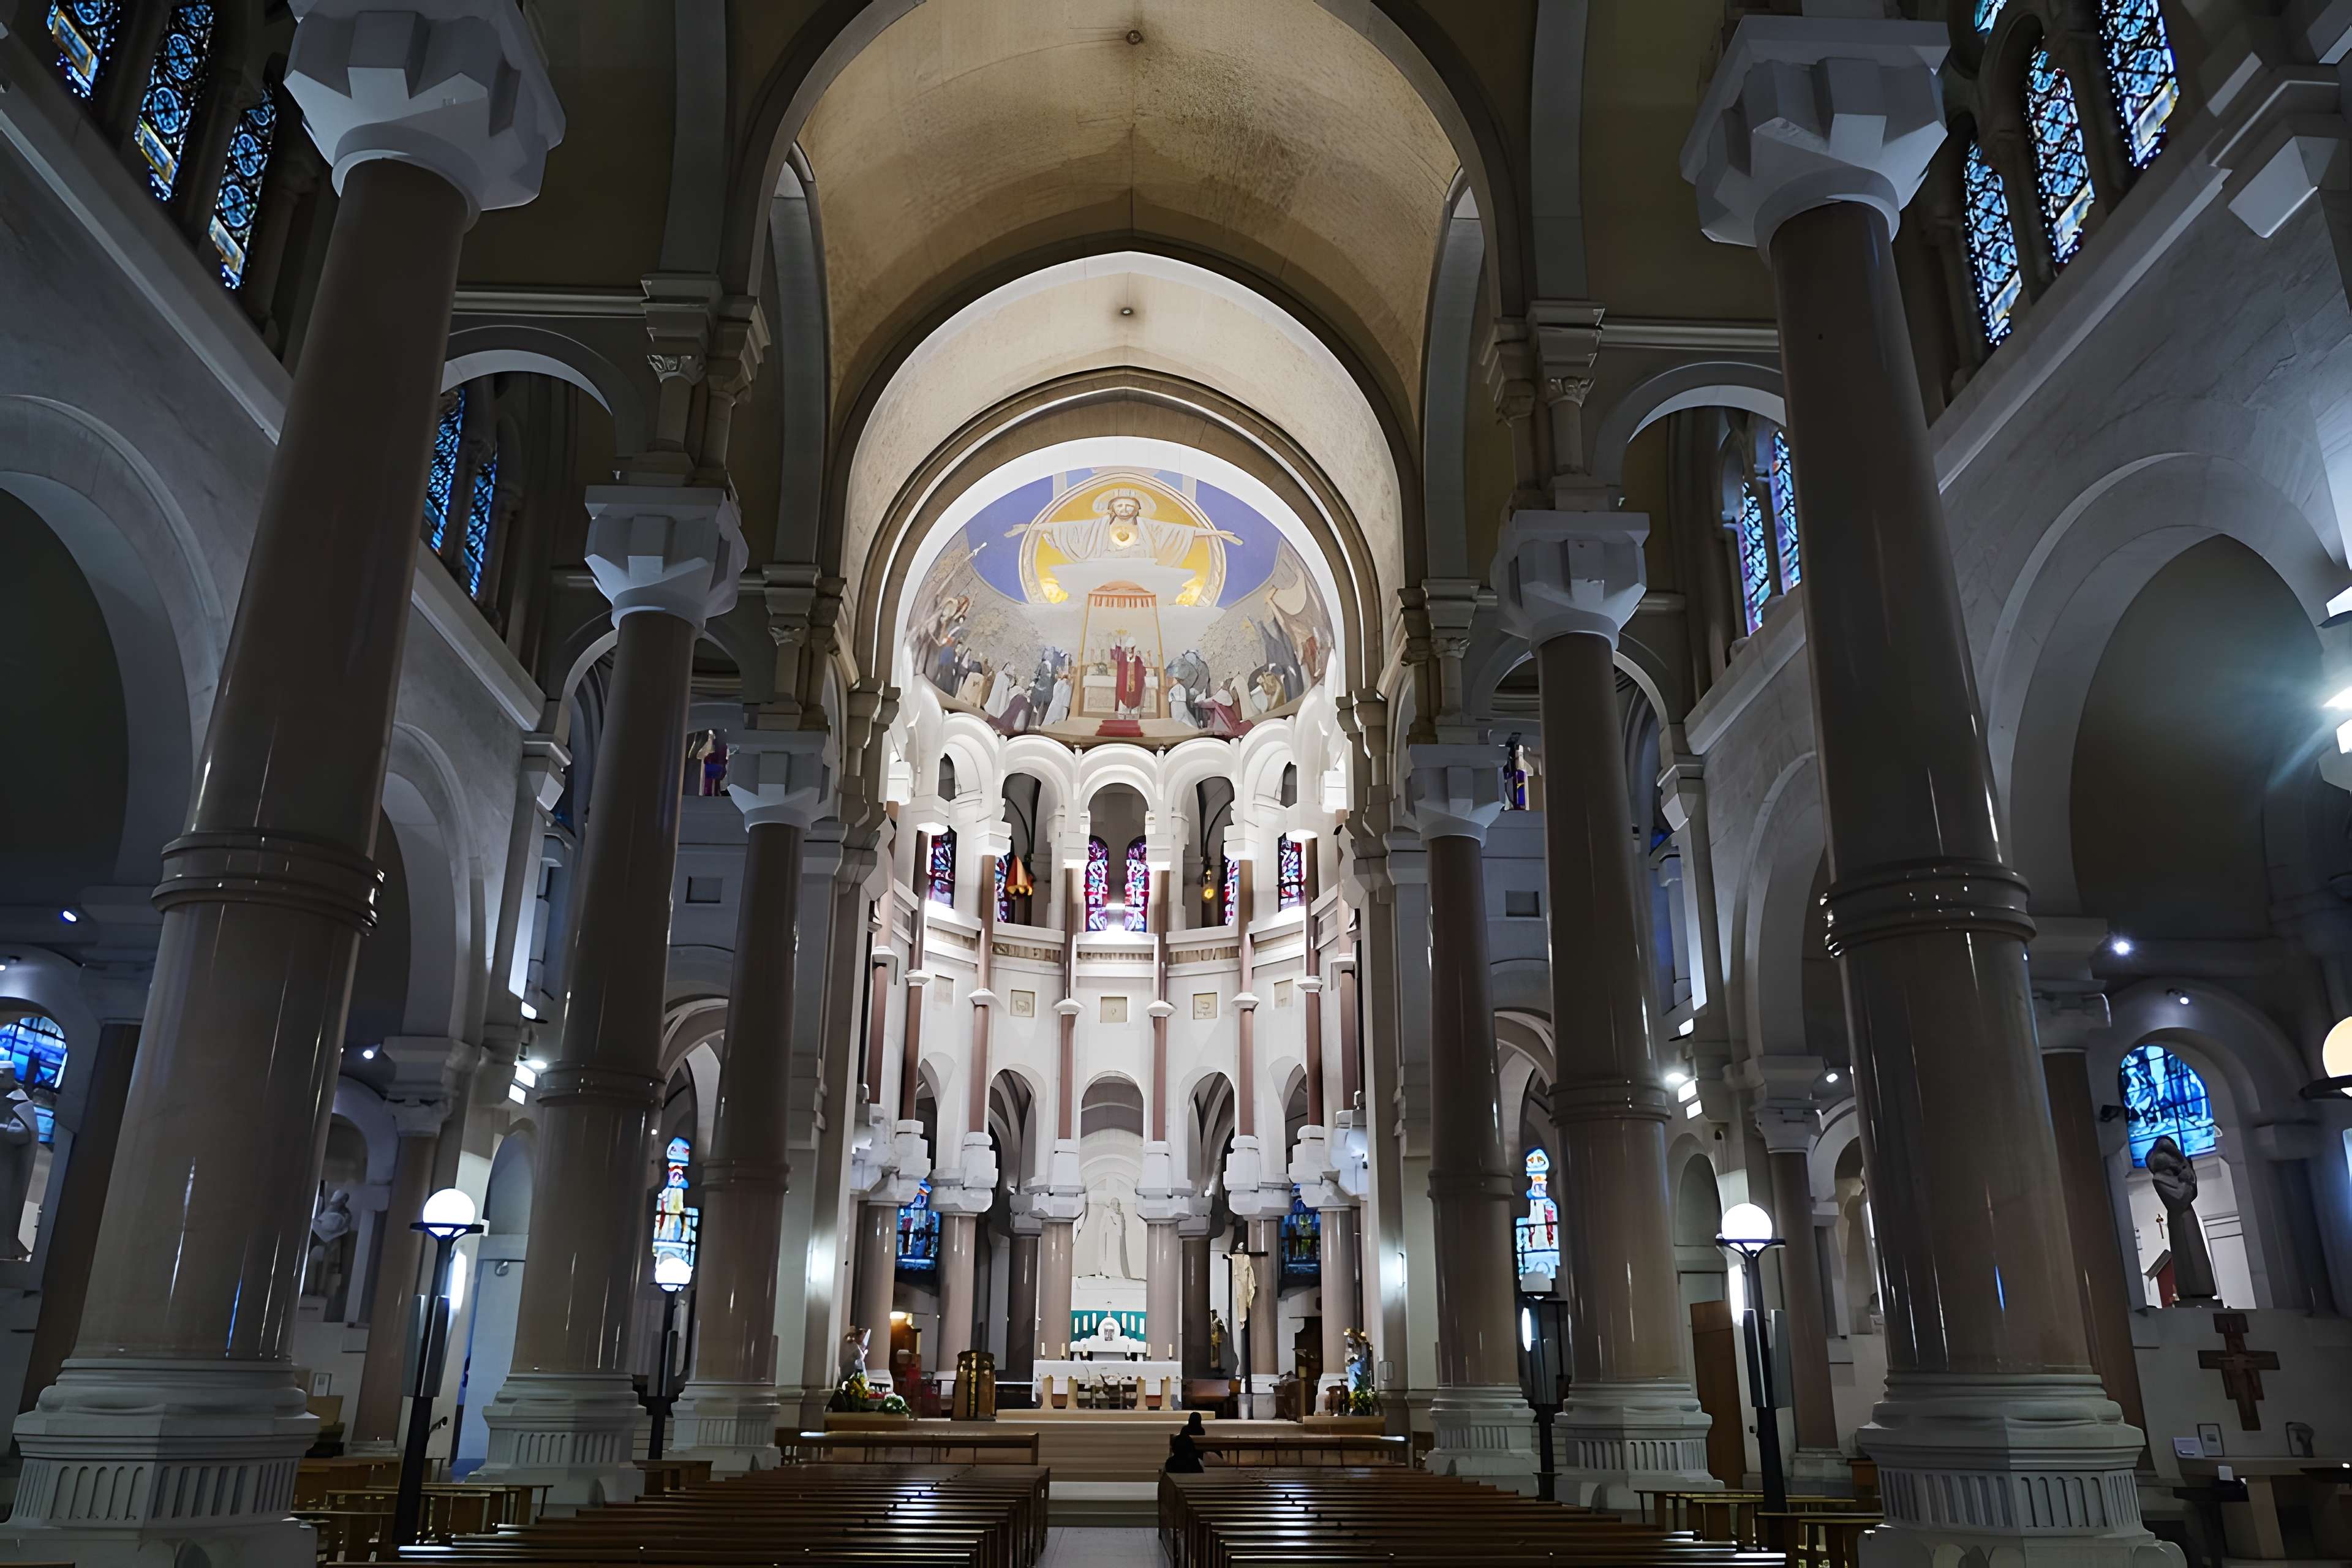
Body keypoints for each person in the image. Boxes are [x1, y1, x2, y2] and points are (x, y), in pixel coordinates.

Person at [1165, 1410, 1206, 1474]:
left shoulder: (1185, 1429)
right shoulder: (1201, 1430)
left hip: (1181, 1456)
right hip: (1195, 1457)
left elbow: (1181, 1441)